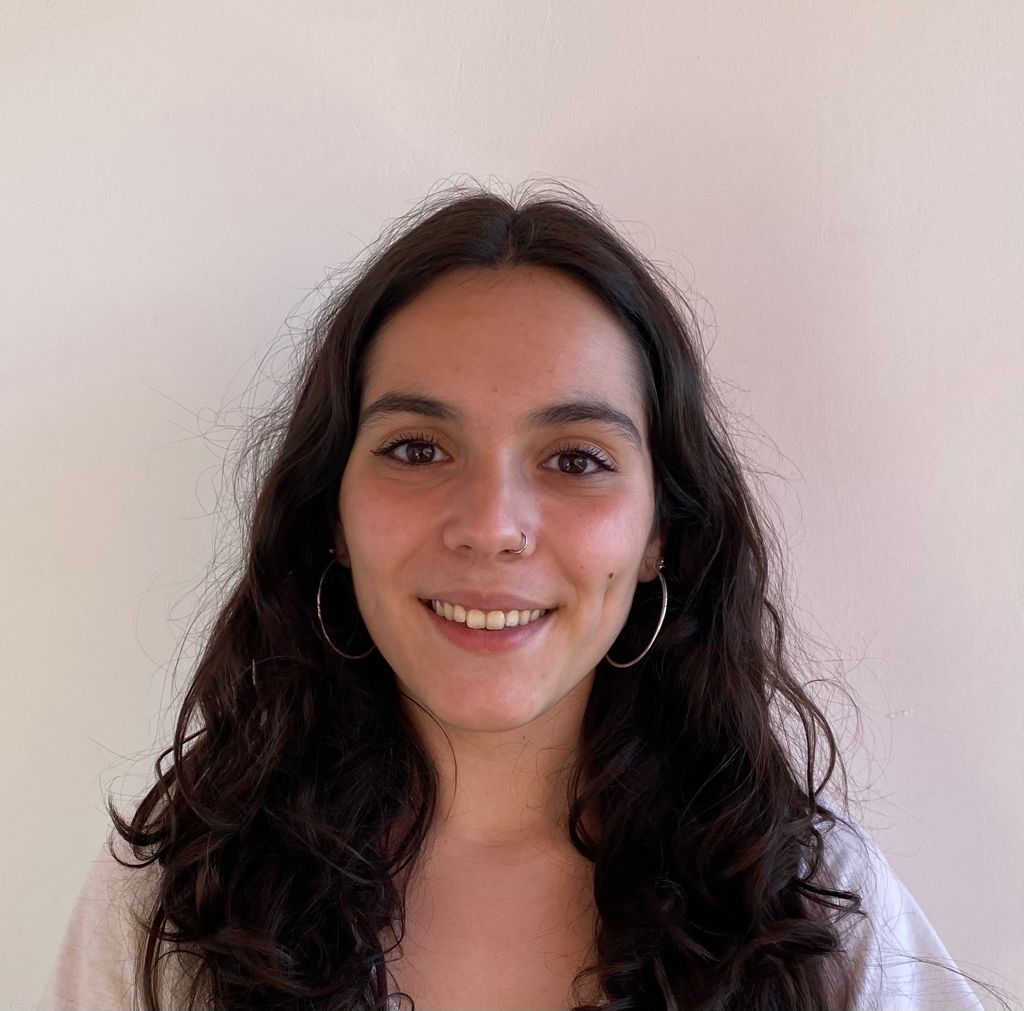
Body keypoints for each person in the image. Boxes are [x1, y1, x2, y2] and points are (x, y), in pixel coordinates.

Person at [38, 183, 996, 1011]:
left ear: (658, 535)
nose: (492, 524)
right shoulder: (177, 901)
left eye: (575, 459)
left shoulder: (807, 904)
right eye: (418, 448)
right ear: (331, 511)